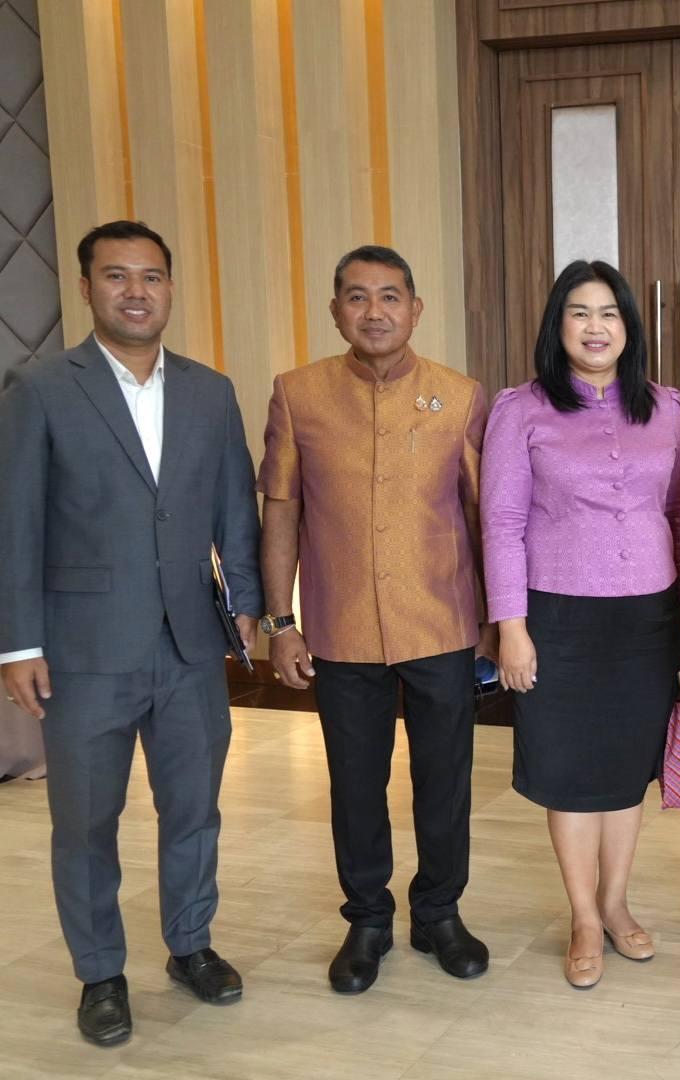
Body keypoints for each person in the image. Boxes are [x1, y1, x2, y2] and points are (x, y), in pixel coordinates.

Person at [0, 220, 261, 1045]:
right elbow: (15, 522)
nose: (136, 292)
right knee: (85, 821)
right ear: (87, 288)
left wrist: (248, 603)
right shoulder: (41, 387)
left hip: (189, 644)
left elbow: (235, 508)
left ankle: (190, 945)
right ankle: (100, 973)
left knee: (195, 808)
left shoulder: (210, 391)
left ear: (170, 287)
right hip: (82, 651)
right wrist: (17, 644)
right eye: (117, 276)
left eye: (151, 276)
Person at [257, 245, 492, 994]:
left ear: (415, 310)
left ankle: (439, 913)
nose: (374, 311)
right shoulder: (299, 394)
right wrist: (280, 622)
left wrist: (495, 617)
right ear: (336, 312)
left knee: (443, 781)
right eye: (357, 297)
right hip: (342, 624)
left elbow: (483, 514)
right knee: (354, 783)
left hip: (442, 622)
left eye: (390, 296)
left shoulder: (459, 396)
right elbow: (282, 510)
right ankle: (366, 918)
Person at [481, 260, 680, 990]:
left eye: (609, 312)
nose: (595, 327)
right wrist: (511, 626)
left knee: (627, 771)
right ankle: (582, 916)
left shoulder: (665, 408)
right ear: (557, 325)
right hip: (558, 616)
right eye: (579, 312)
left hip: (647, 617)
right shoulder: (521, 409)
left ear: (628, 325)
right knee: (570, 773)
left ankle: (616, 901)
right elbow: (501, 522)